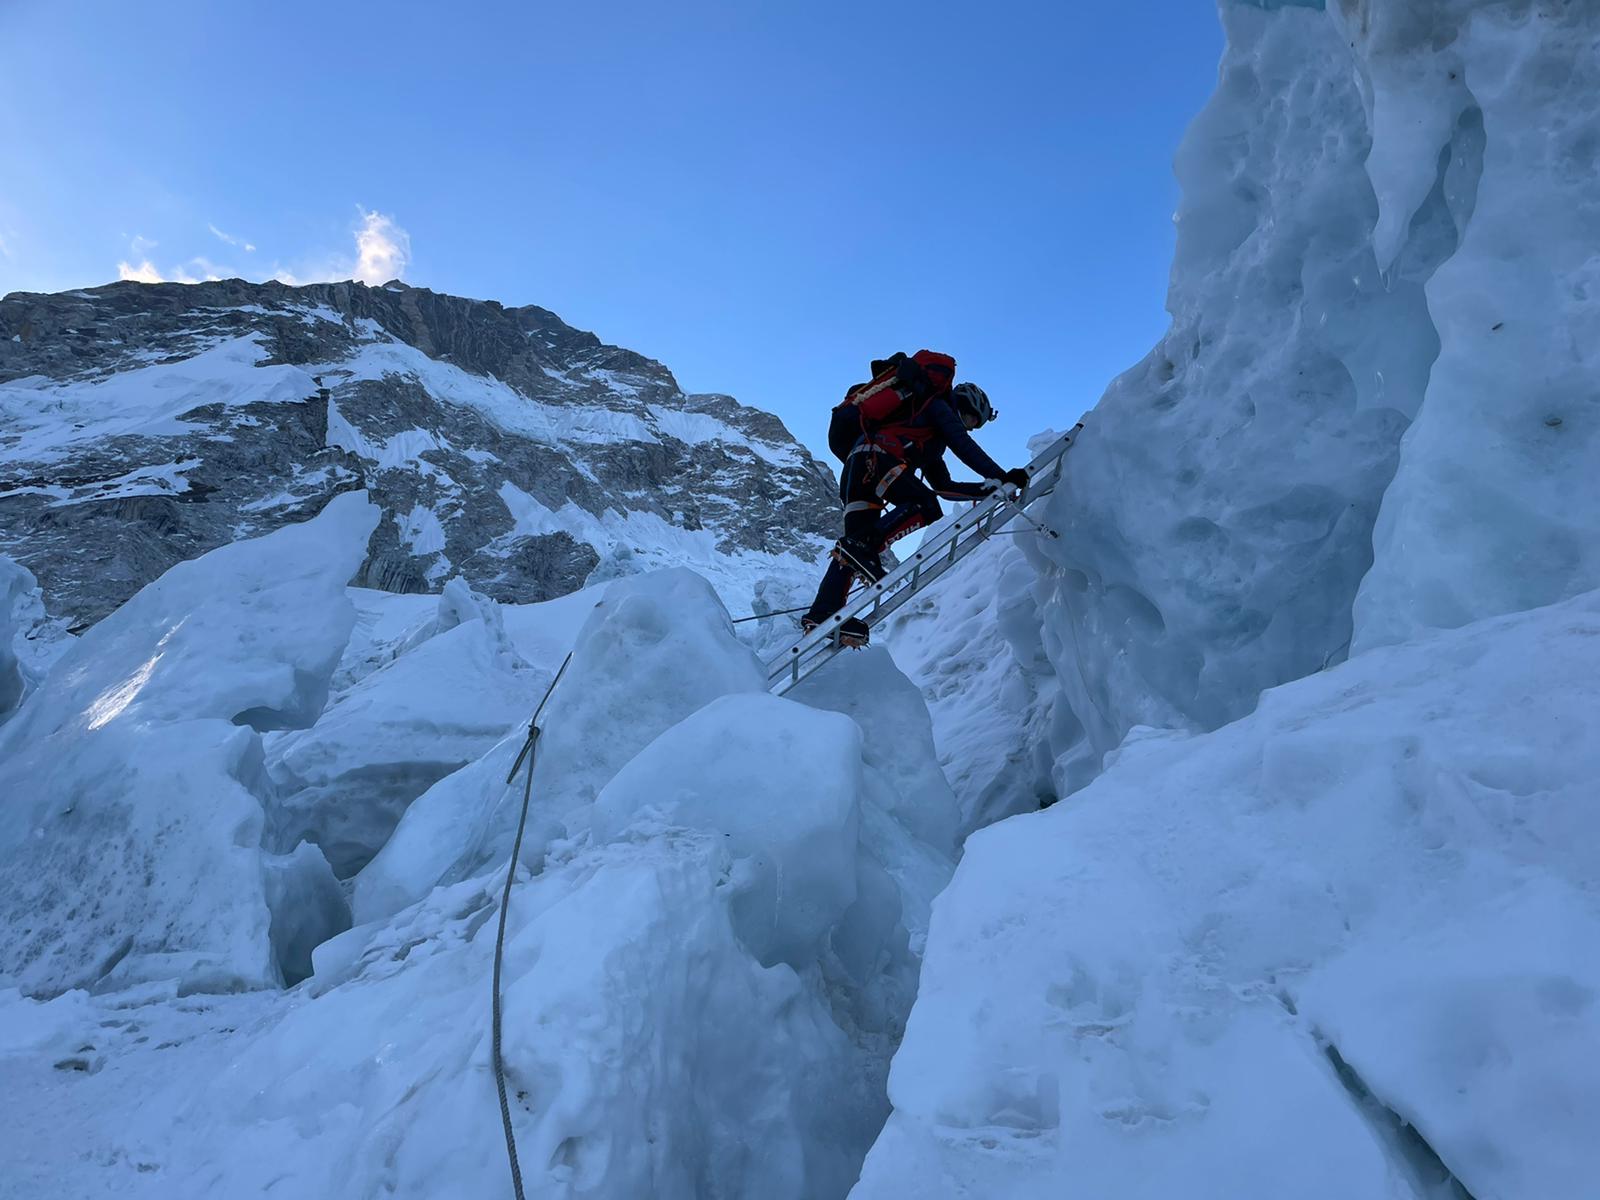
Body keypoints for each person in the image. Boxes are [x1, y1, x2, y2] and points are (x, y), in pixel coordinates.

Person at [800, 350, 1030, 643]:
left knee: (852, 549)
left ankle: (823, 614)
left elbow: (944, 485)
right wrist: (1002, 475)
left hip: (858, 469)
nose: (970, 427)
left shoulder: (925, 437)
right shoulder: (938, 407)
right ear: (968, 408)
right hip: (878, 457)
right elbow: (962, 444)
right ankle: (863, 547)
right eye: (974, 421)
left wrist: (987, 488)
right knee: (924, 508)